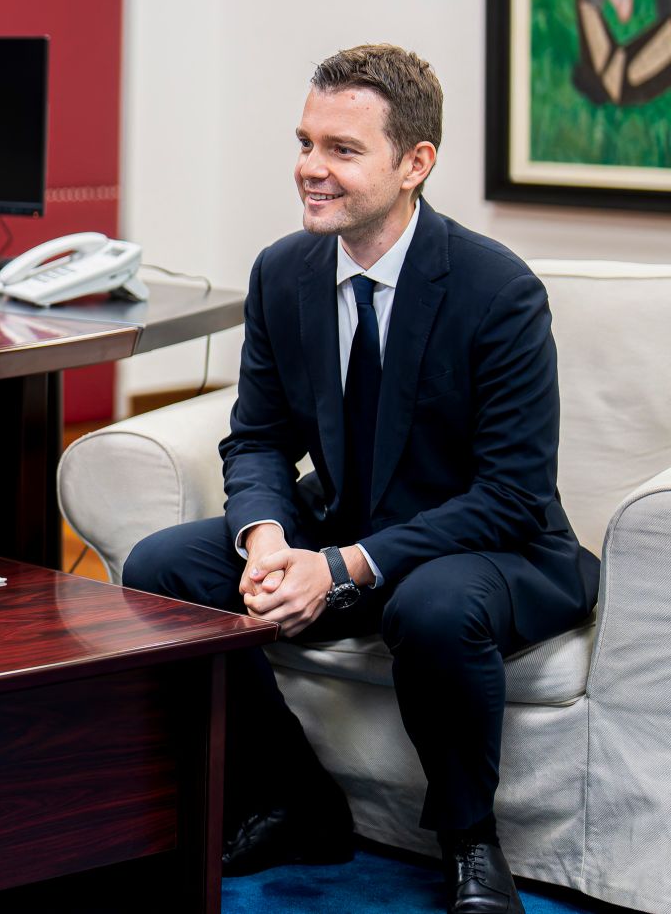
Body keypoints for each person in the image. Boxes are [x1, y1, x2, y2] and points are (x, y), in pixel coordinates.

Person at [122, 45, 598, 914]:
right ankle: (294, 798)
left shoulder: (498, 290)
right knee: (162, 567)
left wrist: (338, 568)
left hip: (489, 545)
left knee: (433, 605)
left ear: (415, 163)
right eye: (306, 142)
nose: (311, 167)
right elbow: (258, 438)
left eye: (342, 149)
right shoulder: (283, 272)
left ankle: (470, 840)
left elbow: (511, 494)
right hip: (345, 522)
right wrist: (268, 539)